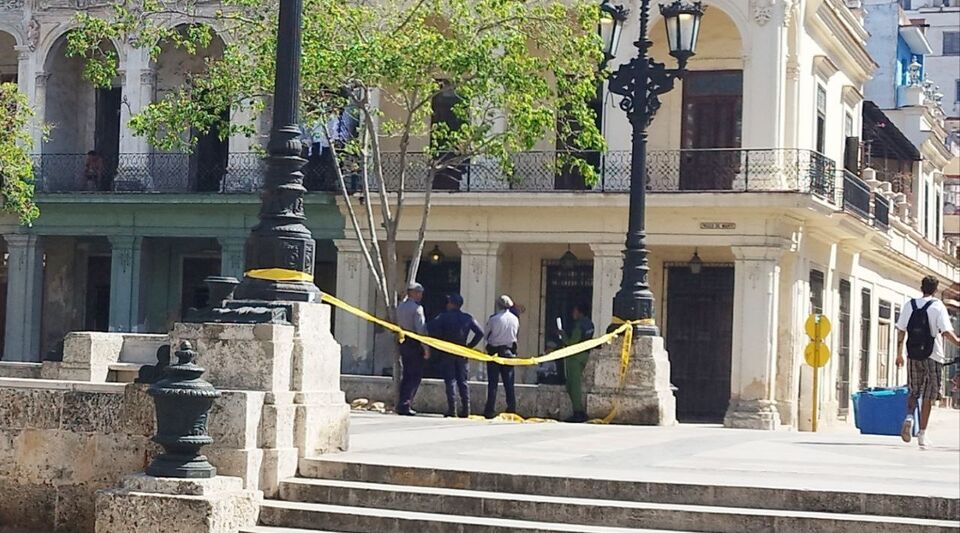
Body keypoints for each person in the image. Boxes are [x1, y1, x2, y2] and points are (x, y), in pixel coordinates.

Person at [895, 276, 960, 447]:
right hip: (933, 355)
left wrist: (899, 354)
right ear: (936, 289)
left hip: (913, 354)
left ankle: (909, 417)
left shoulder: (910, 305)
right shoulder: (938, 306)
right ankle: (922, 434)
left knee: (913, 390)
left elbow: (901, 331)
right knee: (928, 396)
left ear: (921, 287)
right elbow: (946, 332)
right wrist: (959, 342)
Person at [427, 294, 484, 417]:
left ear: (451, 304)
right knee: (462, 381)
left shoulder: (443, 317)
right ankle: (466, 410)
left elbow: (429, 328)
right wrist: (469, 346)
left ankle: (452, 409)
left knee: (450, 381)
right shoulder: (468, 318)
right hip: (462, 353)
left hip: (447, 352)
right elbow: (480, 332)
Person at [396, 282, 430, 416]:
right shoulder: (417, 309)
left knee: (407, 375)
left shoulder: (400, 307)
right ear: (411, 293)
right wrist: (426, 348)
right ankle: (406, 404)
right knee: (414, 376)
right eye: (418, 292)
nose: (420, 295)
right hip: (415, 344)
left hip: (404, 342)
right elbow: (420, 329)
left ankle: (402, 403)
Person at [484, 294, 520, 419]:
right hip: (509, 352)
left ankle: (490, 410)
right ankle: (512, 408)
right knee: (509, 383)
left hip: (494, 352)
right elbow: (516, 335)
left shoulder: (494, 319)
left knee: (493, 383)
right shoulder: (515, 319)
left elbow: (486, 334)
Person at [559, 303, 595, 423]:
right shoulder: (590, 324)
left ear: (580, 312)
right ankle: (578, 411)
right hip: (585, 355)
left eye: (575, 311)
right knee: (574, 384)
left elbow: (572, 342)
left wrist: (562, 335)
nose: (573, 313)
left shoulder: (579, 326)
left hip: (574, 357)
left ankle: (578, 412)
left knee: (573, 385)